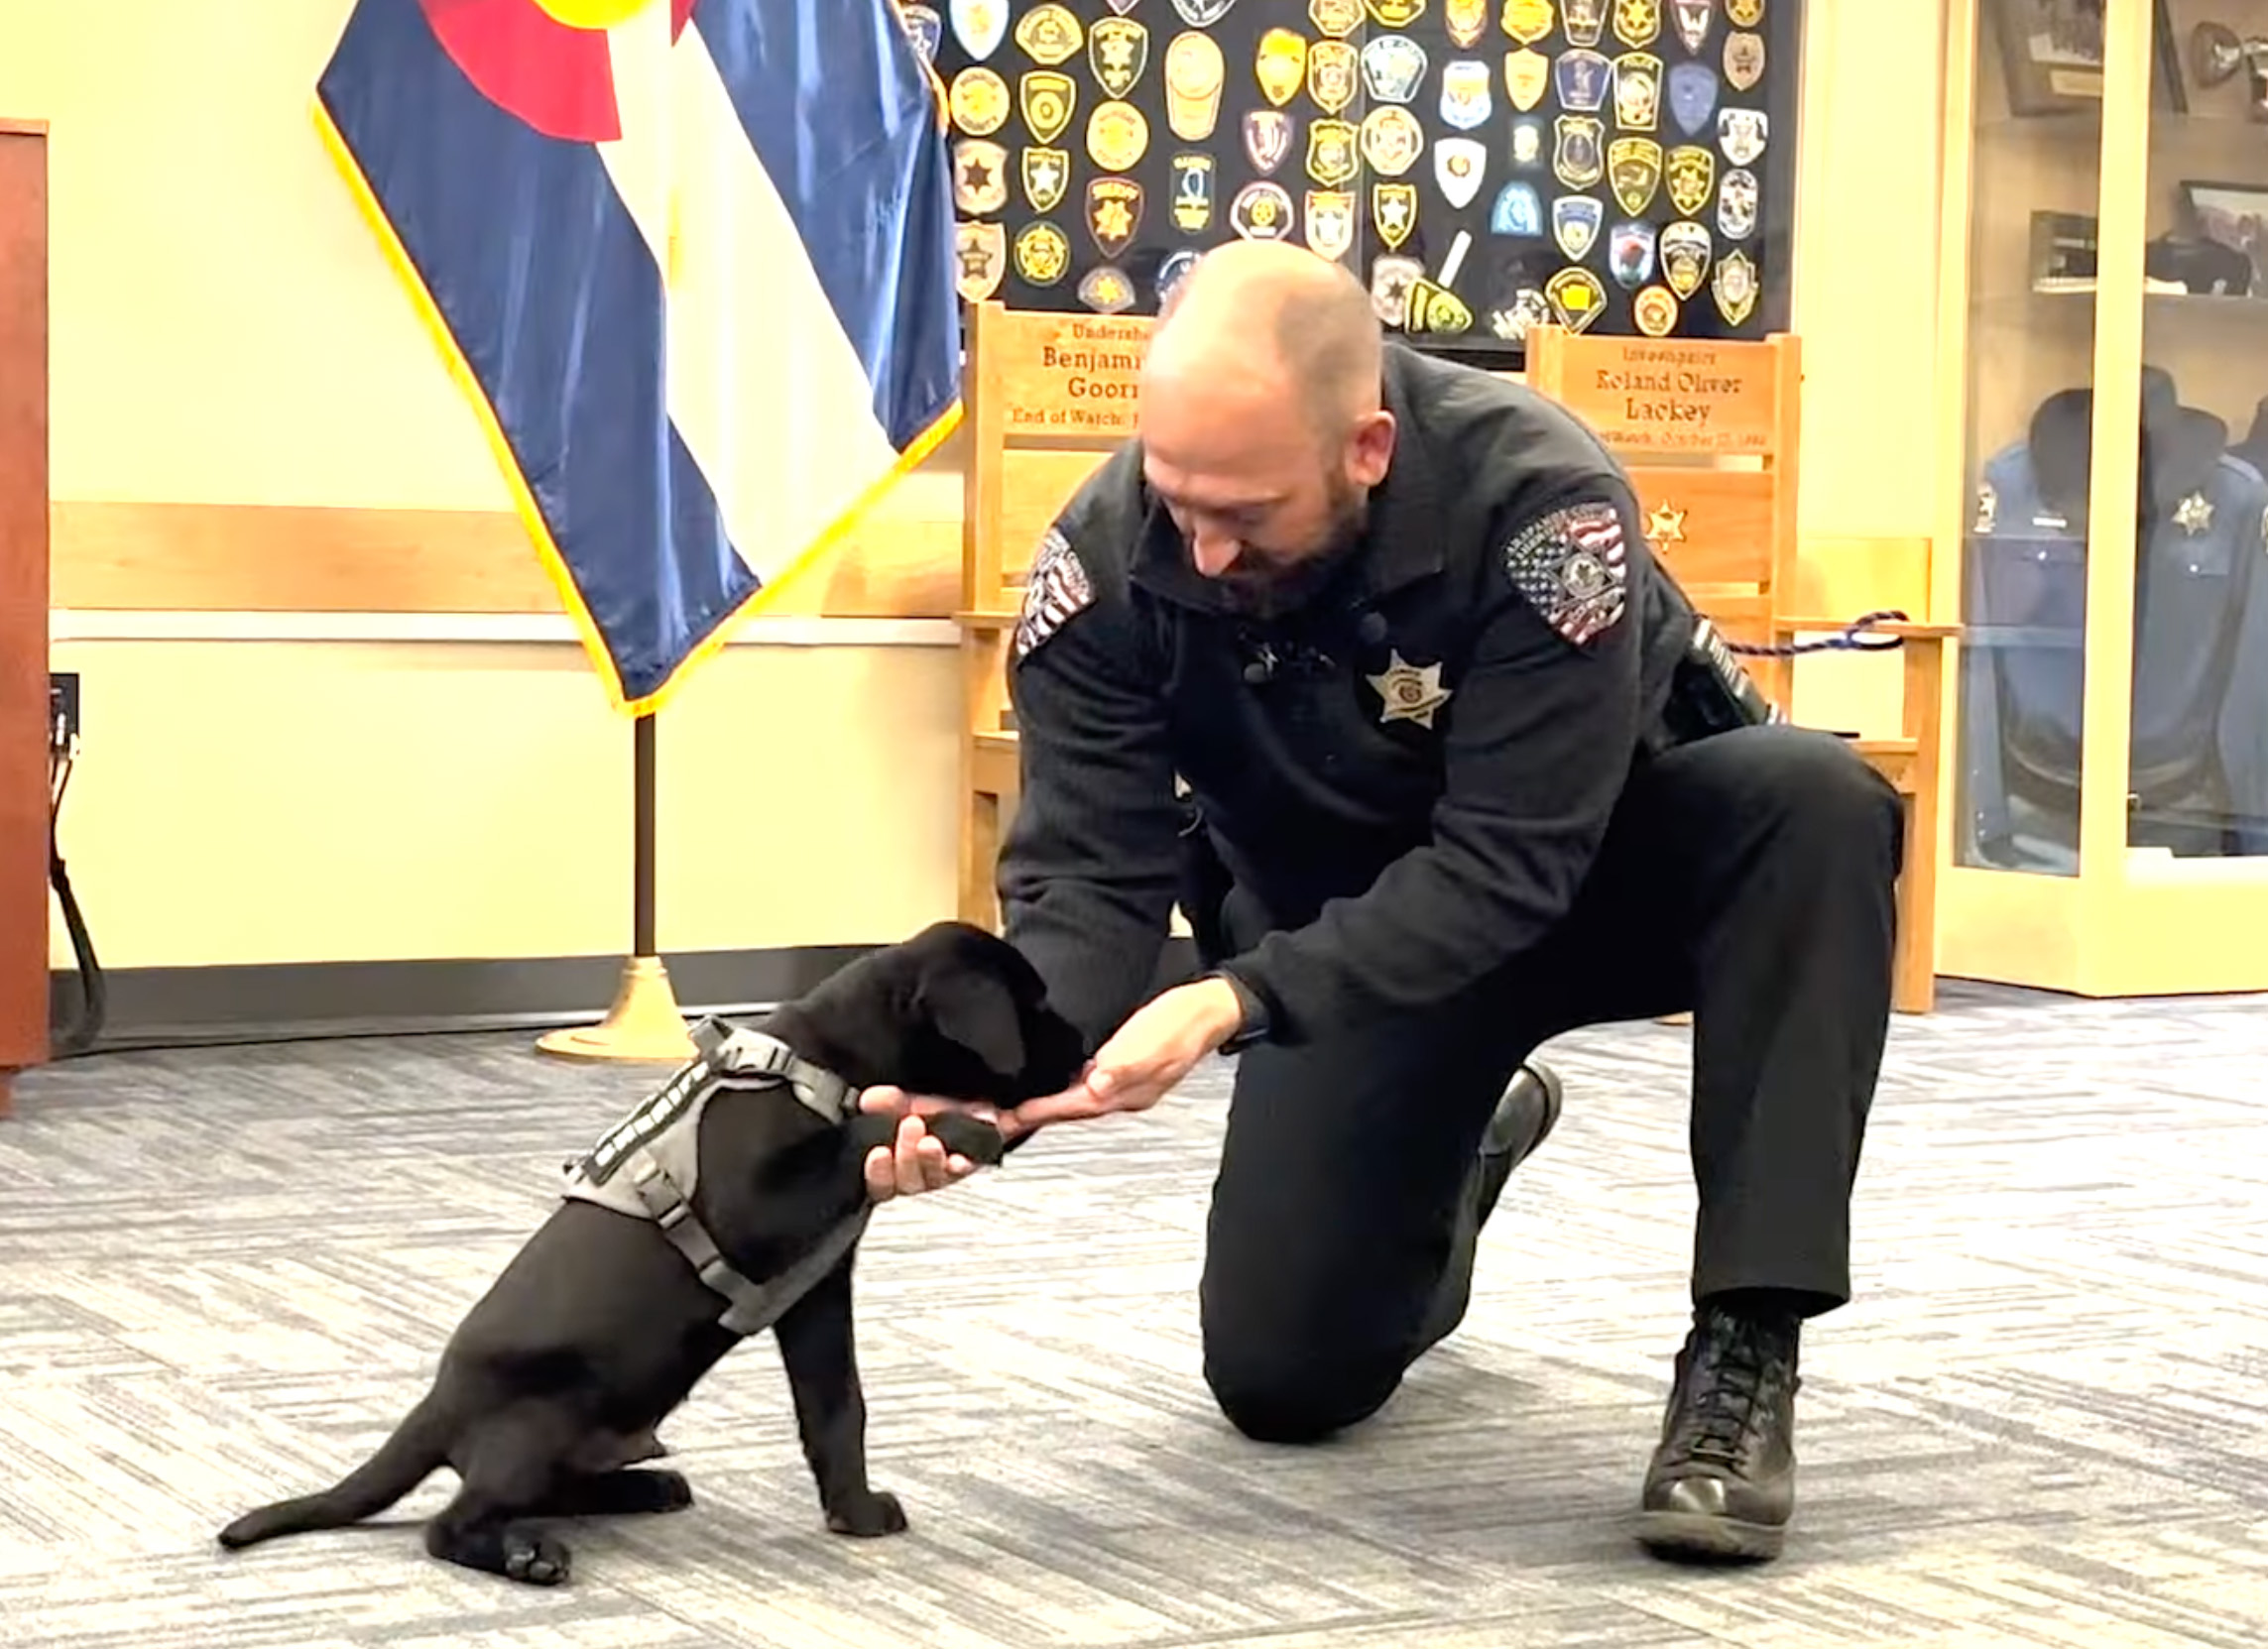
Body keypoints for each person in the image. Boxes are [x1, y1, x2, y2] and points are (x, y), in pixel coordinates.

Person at [860, 242, 1902, 1565]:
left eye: (1246, 508)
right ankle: (1468, 1147)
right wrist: (995, 1073)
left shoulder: (1543, 507)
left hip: (1597, 875)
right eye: (1177, 496)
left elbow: (1511, 861)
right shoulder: (1101, 564)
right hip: (1357, 942)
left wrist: (1235, 998)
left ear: (1365, 447)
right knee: (1283, 1383)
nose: (1204, 542)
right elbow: (1089, 880)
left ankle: (1745, 1343)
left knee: (1812, 803)